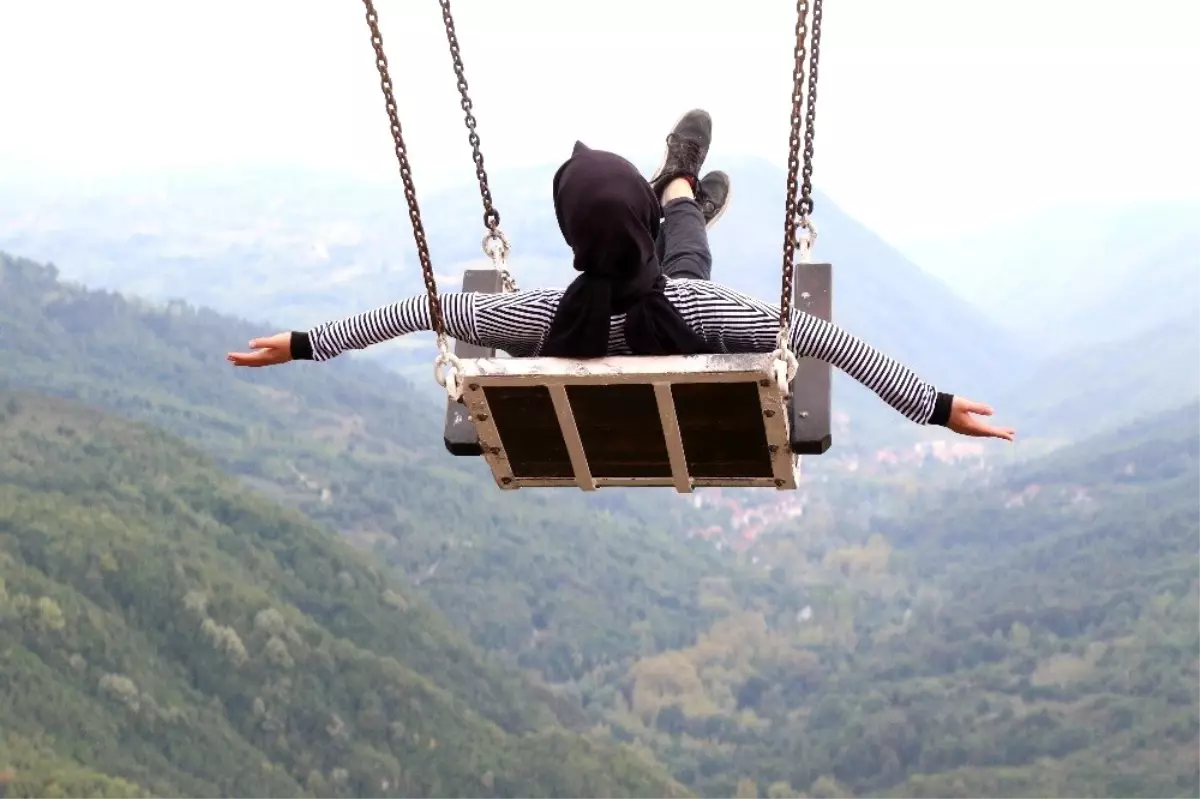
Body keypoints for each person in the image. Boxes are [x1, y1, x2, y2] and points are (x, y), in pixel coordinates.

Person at [228, 110, 1015, 442]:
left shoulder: (532, 316)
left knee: (678, 267)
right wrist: (936, 407)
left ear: (571, 235)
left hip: (625, 301)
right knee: (681, 270)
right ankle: (674, 192)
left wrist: (302, 344)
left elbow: (414, 311)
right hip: (678, 298)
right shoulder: (704, 309)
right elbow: (824, 339)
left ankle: (674, 195)